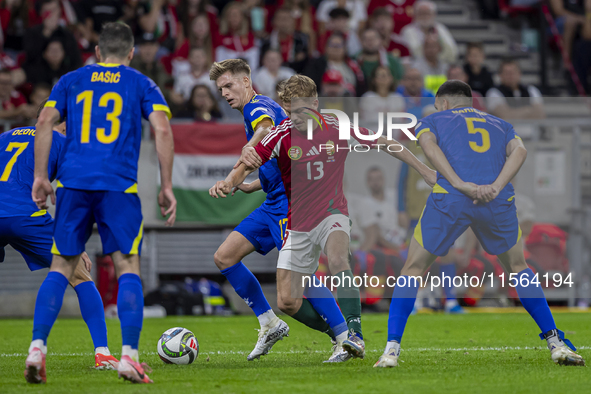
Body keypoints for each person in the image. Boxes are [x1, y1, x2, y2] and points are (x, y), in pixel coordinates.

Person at [212, 74, 436, 363]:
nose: (298, 119)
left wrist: (425, 170)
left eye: (304, 111)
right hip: (298, 222)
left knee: (338, 259)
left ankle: (354, 334)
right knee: (288, 302)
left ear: (316, 103)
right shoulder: (280, 135)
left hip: (332, 213)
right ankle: (339, 337)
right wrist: (232, 180)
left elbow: (385, 143)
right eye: (291, 113)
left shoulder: (337, 126)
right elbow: (251, 160)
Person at [374, 80, 586, 368]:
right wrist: (497, 186)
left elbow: (427, 146)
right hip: (495, 200)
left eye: (438, 105)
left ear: (444, 103)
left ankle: (391, 351)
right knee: (518, 267)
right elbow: (520, 152)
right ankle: (555, 343)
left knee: (413, 268)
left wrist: (458, 183)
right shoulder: (500, 123)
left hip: (451, 197)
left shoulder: (432, 119)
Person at [26, 22, 177, 384]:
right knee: (126, 266)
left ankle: (36, 348)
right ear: (130, 53)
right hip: (117, 186)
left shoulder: (71, 80)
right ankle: (128, 357)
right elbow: (163, 129)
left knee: (61, 266)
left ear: (97, 52)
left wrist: (41, 175)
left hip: (74, 184)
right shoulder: (141, 83)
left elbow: (45, 120)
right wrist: (166, 185)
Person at [209, 59, 352, 363]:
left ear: (247, 82)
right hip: (272, 201)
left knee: (301, 280)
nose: (224, 93)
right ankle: (269, 323)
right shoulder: (270, 106)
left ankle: (343, 337)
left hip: (289, 205)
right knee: (225, 256)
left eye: (229, 85)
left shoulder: (256, 109)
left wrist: (235, 174)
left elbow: (263, 131)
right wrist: (253, 184)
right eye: (220, 88)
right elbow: (282, 157)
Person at [0, 104, 119, 376]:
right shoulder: (63, 142)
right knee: (79, 276)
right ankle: (102, 354)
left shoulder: (7, 135)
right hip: (24, 214)